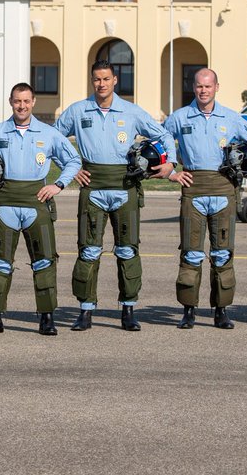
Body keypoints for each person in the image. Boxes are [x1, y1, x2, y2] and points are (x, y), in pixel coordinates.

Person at [52, 60, 176, 332]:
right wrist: (70, 169)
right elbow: (53, 139)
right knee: (88, 249)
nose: (101, 84)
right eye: (97, 79)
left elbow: (164, 134)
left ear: (115, 80)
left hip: (125, 186)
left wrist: (170, 164)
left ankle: (128, 309)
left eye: (106, 79)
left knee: (128, 249)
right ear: (92, 81)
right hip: (93, 186)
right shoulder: (77, 111)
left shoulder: (131, 112)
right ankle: (85, 311)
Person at [0, 82, 81, 336]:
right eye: (17, 101)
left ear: (33, 102)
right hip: (5, 203)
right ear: (10, 102)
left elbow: (74, 160)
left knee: (44, 262)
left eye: (26, 101)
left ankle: (46, 317)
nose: (21, 106)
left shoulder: (49, 134)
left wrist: (58, 184)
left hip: (37, 202)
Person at [164, 68, 247, 329]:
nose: (203, 91)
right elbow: (161, 138)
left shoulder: (232, 119)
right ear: (194, 87)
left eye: (208, 86)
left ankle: (221, 310)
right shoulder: (179, 117)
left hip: (223, 190)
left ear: (216, 88)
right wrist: (171, 170)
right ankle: (188, 310)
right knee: (191, 253)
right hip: (193, 190)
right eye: (199, 86)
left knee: (222, 253)